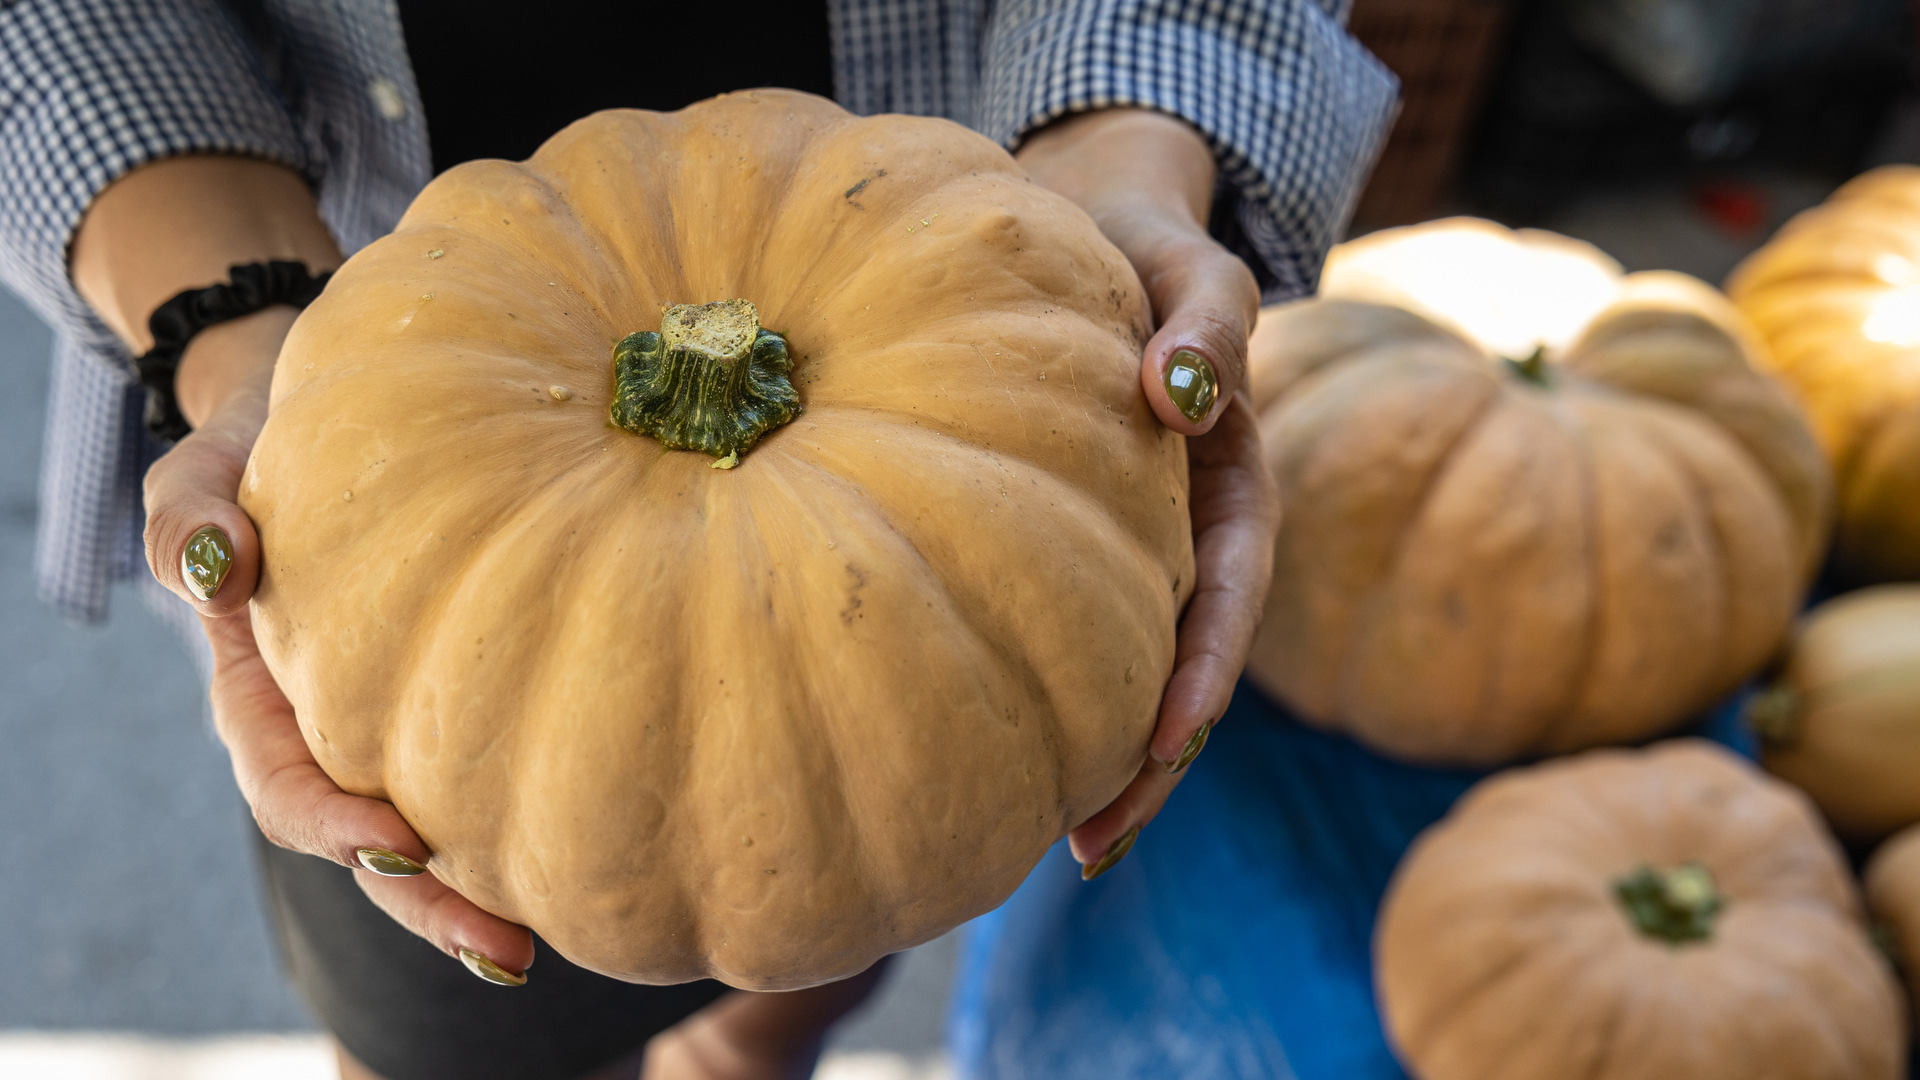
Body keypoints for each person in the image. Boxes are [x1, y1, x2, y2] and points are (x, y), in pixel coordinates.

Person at [0, 1, 1396, 1078]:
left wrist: (1122, 148)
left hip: (961, 247)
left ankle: (750, 1049)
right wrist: (232, 314)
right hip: (385, 367)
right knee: (435, 1002)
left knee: (845, 863)